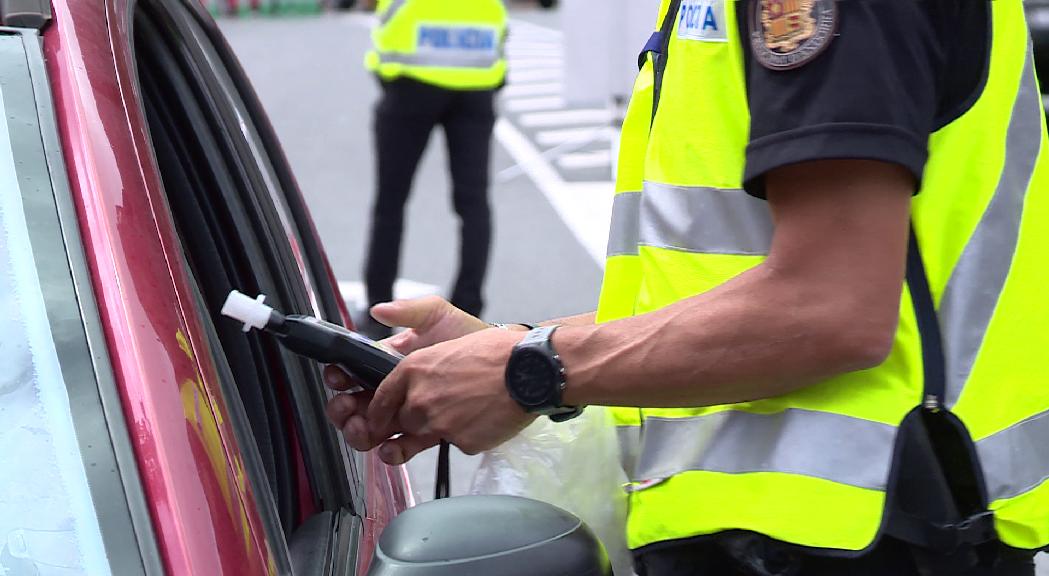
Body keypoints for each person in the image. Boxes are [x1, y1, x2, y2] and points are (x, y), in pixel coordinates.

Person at [326, 1, 1049, 574]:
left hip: (866, 538)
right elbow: (723, 275)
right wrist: (509, 352)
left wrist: (535, 370)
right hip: (817, 536)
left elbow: (833, 308)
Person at [360, 0, 508, 338]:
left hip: (411, 79)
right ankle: (468, 312)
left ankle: (378, 313)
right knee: (474, 204)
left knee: (390, 203)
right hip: (476, 77)